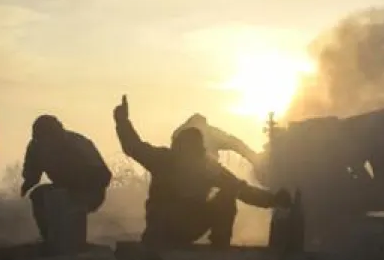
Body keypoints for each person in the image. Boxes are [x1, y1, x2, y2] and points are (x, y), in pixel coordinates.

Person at [113, 95, 291, 249]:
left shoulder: (201, 166)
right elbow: (134, 147)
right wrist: (122, 121)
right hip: (163, 227)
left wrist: (273, 199)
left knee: (227, 195)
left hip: (187, 225)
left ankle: (219, 249)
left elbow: (241, 190)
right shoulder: (168, 160)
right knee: (227, 193)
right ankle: (217, 248)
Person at [20, 115, 113, 242]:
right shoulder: (36, 147)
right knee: (39, 196)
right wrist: (27, 184)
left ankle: (75, 241)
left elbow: (104, 176)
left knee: (69, 201)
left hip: (90, 190)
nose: (47, 144)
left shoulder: (78, 143)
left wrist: (80, 184)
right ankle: (49, 239)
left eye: (50, 139)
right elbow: (32, 174)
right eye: (42, 140)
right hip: (62, 189)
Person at [172, 113, 261, 166]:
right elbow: (234, 143)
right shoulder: (211, 133)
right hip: (207, 174)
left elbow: (233, 142)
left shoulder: (178, 134)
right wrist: (254, 158)